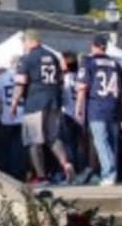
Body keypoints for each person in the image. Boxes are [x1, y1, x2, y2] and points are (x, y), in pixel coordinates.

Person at [10, 30, 74, 184]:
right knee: (53, 137)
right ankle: (66, 163)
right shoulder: (53, 57)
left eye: (24, 41)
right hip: (53, 101)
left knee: (34, 140)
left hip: (35, 102)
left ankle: (41, 176)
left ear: (31, 41)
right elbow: (60, 79)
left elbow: (21, 83)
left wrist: (14, 103)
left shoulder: (27, 59)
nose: (23, 45)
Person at [75, 34, 122, 186]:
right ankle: (112, 173)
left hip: (97, 106)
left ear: (93, 45)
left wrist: (78, 108)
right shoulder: (116, 64)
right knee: (111, 143)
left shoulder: (88, 62)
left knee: (101, 142)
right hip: (113, 106)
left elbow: (82, 87)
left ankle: (109, 173)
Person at [0, 57, 24, 179]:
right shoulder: (24, 77)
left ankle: (5, 172)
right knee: (19, 148)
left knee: (5, 146)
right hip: (22, 115)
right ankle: (18, 172)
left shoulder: (1, 78)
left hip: (6, 116)